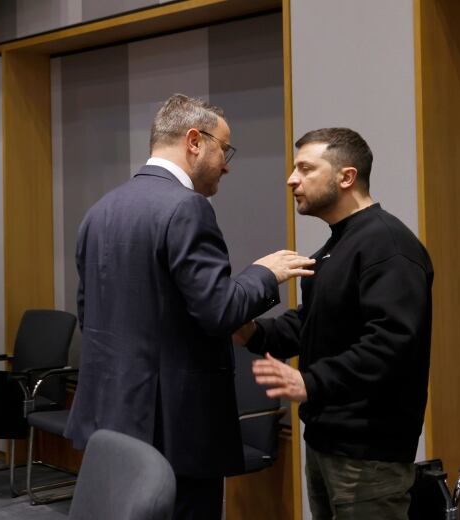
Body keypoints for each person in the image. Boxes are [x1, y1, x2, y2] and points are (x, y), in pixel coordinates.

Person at [63, 94, 316, 520]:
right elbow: (218, 311)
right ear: (194, 141)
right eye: (224, 149)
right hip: (175, 425)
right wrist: (264, 273)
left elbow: (91, 316)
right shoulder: (187, 208)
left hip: (113, 415)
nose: (227, 163)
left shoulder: (100, 211)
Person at [236, 128, 433, 520]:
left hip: (368, 455)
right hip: (327, 443)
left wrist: (310, 382)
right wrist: (253, 334)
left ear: (346, 177)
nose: (292, 179)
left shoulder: (389, 246)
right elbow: (311, 324)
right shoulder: (335, 246)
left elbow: (391, 343)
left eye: (305, 168)